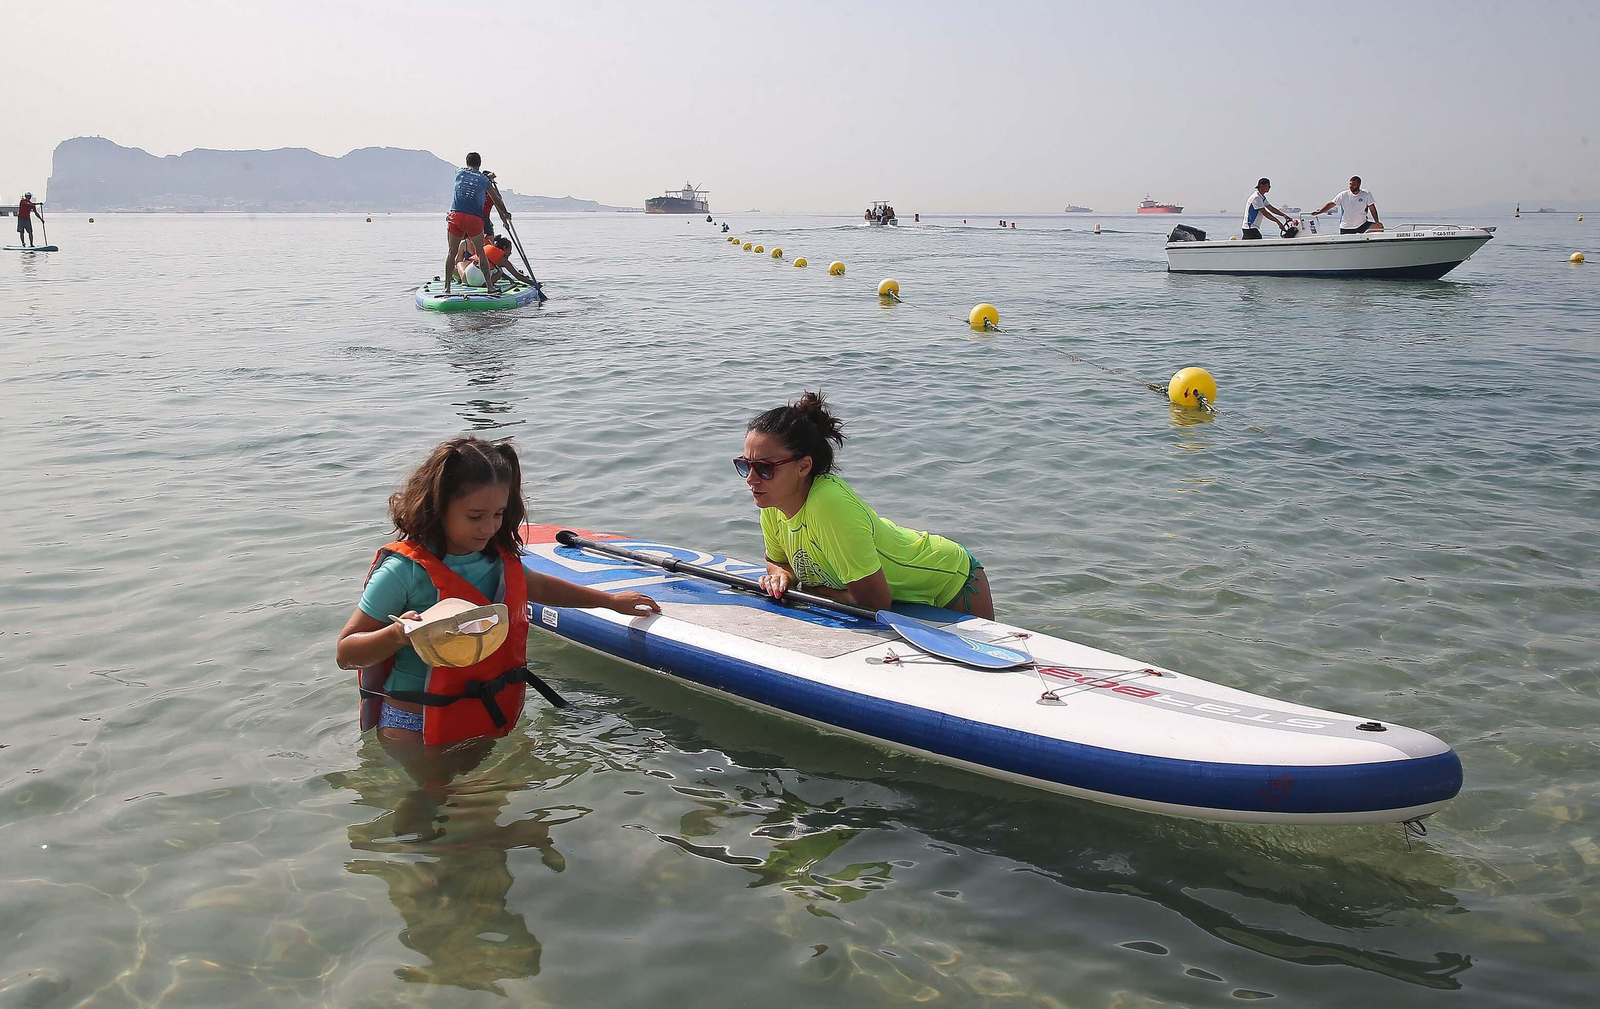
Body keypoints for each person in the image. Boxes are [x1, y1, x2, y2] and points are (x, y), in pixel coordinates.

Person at [336, 437, 659, 748]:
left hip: (483, 710)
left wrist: (610, 601)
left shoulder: (496, 558)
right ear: (438, 506)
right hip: (412, 722)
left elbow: (540, 587)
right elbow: (346, 653)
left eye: (499, 514)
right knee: (430, 803)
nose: (488, 527)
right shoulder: (404, 571)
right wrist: (397, 634)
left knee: (487, 803)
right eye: (475, 516)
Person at [738, 391, 996, 620]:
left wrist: (813, 590)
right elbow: (778, 561)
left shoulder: (828, 503)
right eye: (745, 465)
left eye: (764, 468)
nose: (751, 478)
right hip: (898, 596)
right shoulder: (773, 504)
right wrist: (782, 577)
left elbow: (874, 603)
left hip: (951, 581)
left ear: (804, 466)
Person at [443, 153, 497, 295]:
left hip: (456, 216)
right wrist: (505, 214)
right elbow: (496, 199)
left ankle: (447, 287)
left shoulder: (459, 172)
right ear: (479, 164)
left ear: (467, 162)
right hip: (474, 218)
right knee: (481, 252)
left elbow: (468, 173)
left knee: (451, 252)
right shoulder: (483, 180)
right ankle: (490, 287)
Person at [1312, 176, 1383, 235]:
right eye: (1350, 184)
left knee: (1379, 227)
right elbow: (1331, 204)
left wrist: (1377, 221)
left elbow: (1372, 209)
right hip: (1346, 227)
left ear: (1358, 184)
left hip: (1362, 225)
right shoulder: (1343, 195)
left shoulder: (1366, 194)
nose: (1351, 186)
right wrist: (1319, 212)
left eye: (1353, 185)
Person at [455, 235, 532, 288]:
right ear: (505, 248)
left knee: (497, 270)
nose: (510, 253)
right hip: (479, 281)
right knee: (499, 272)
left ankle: (465, 282)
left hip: (468, 277)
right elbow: (518, 276)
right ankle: (487, 285)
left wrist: (509, 279)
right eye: (510, 250)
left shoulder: (487, 247)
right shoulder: (503, 260)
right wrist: (534, 284)